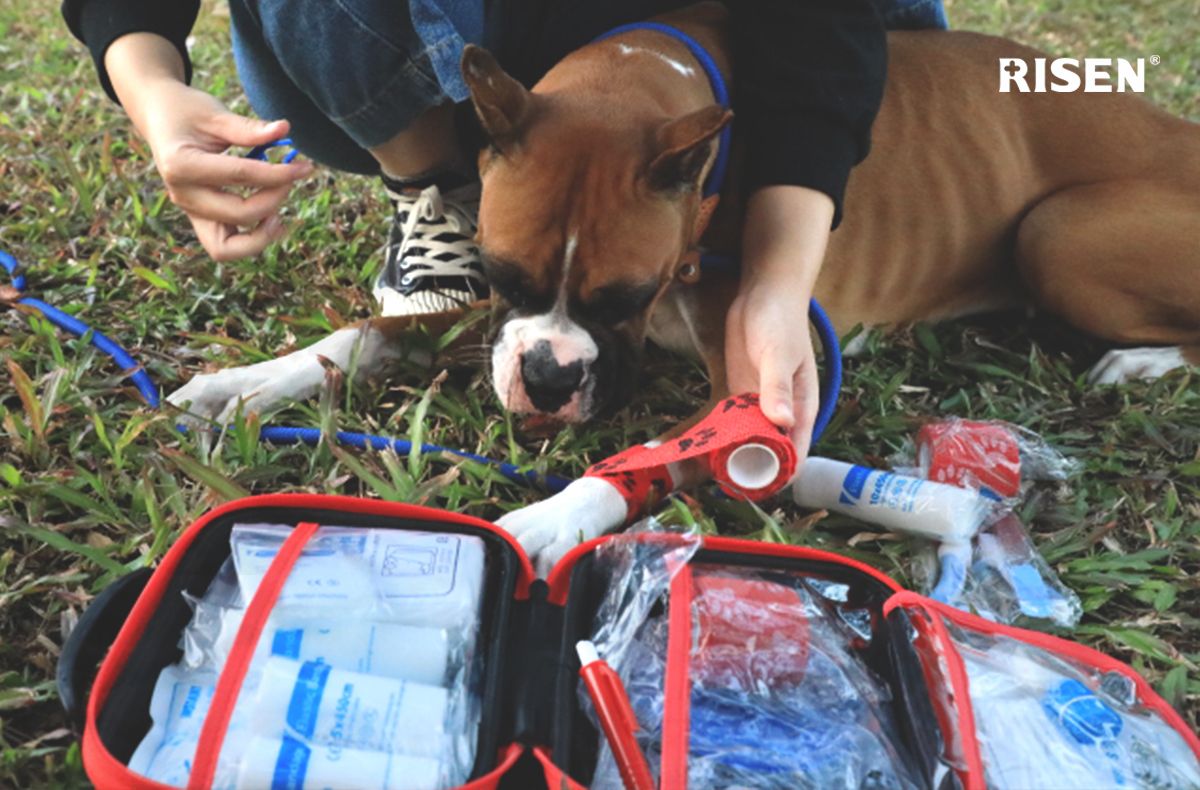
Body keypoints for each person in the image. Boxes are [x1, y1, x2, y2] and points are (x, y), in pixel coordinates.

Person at [61, 0, 946, 459]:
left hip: (790, 52)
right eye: (513, 285)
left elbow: (824, 35)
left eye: (617, 304)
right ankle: (439, 192)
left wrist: (776, 282)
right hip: (491, 58)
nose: (553, 350)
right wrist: (154, 91)